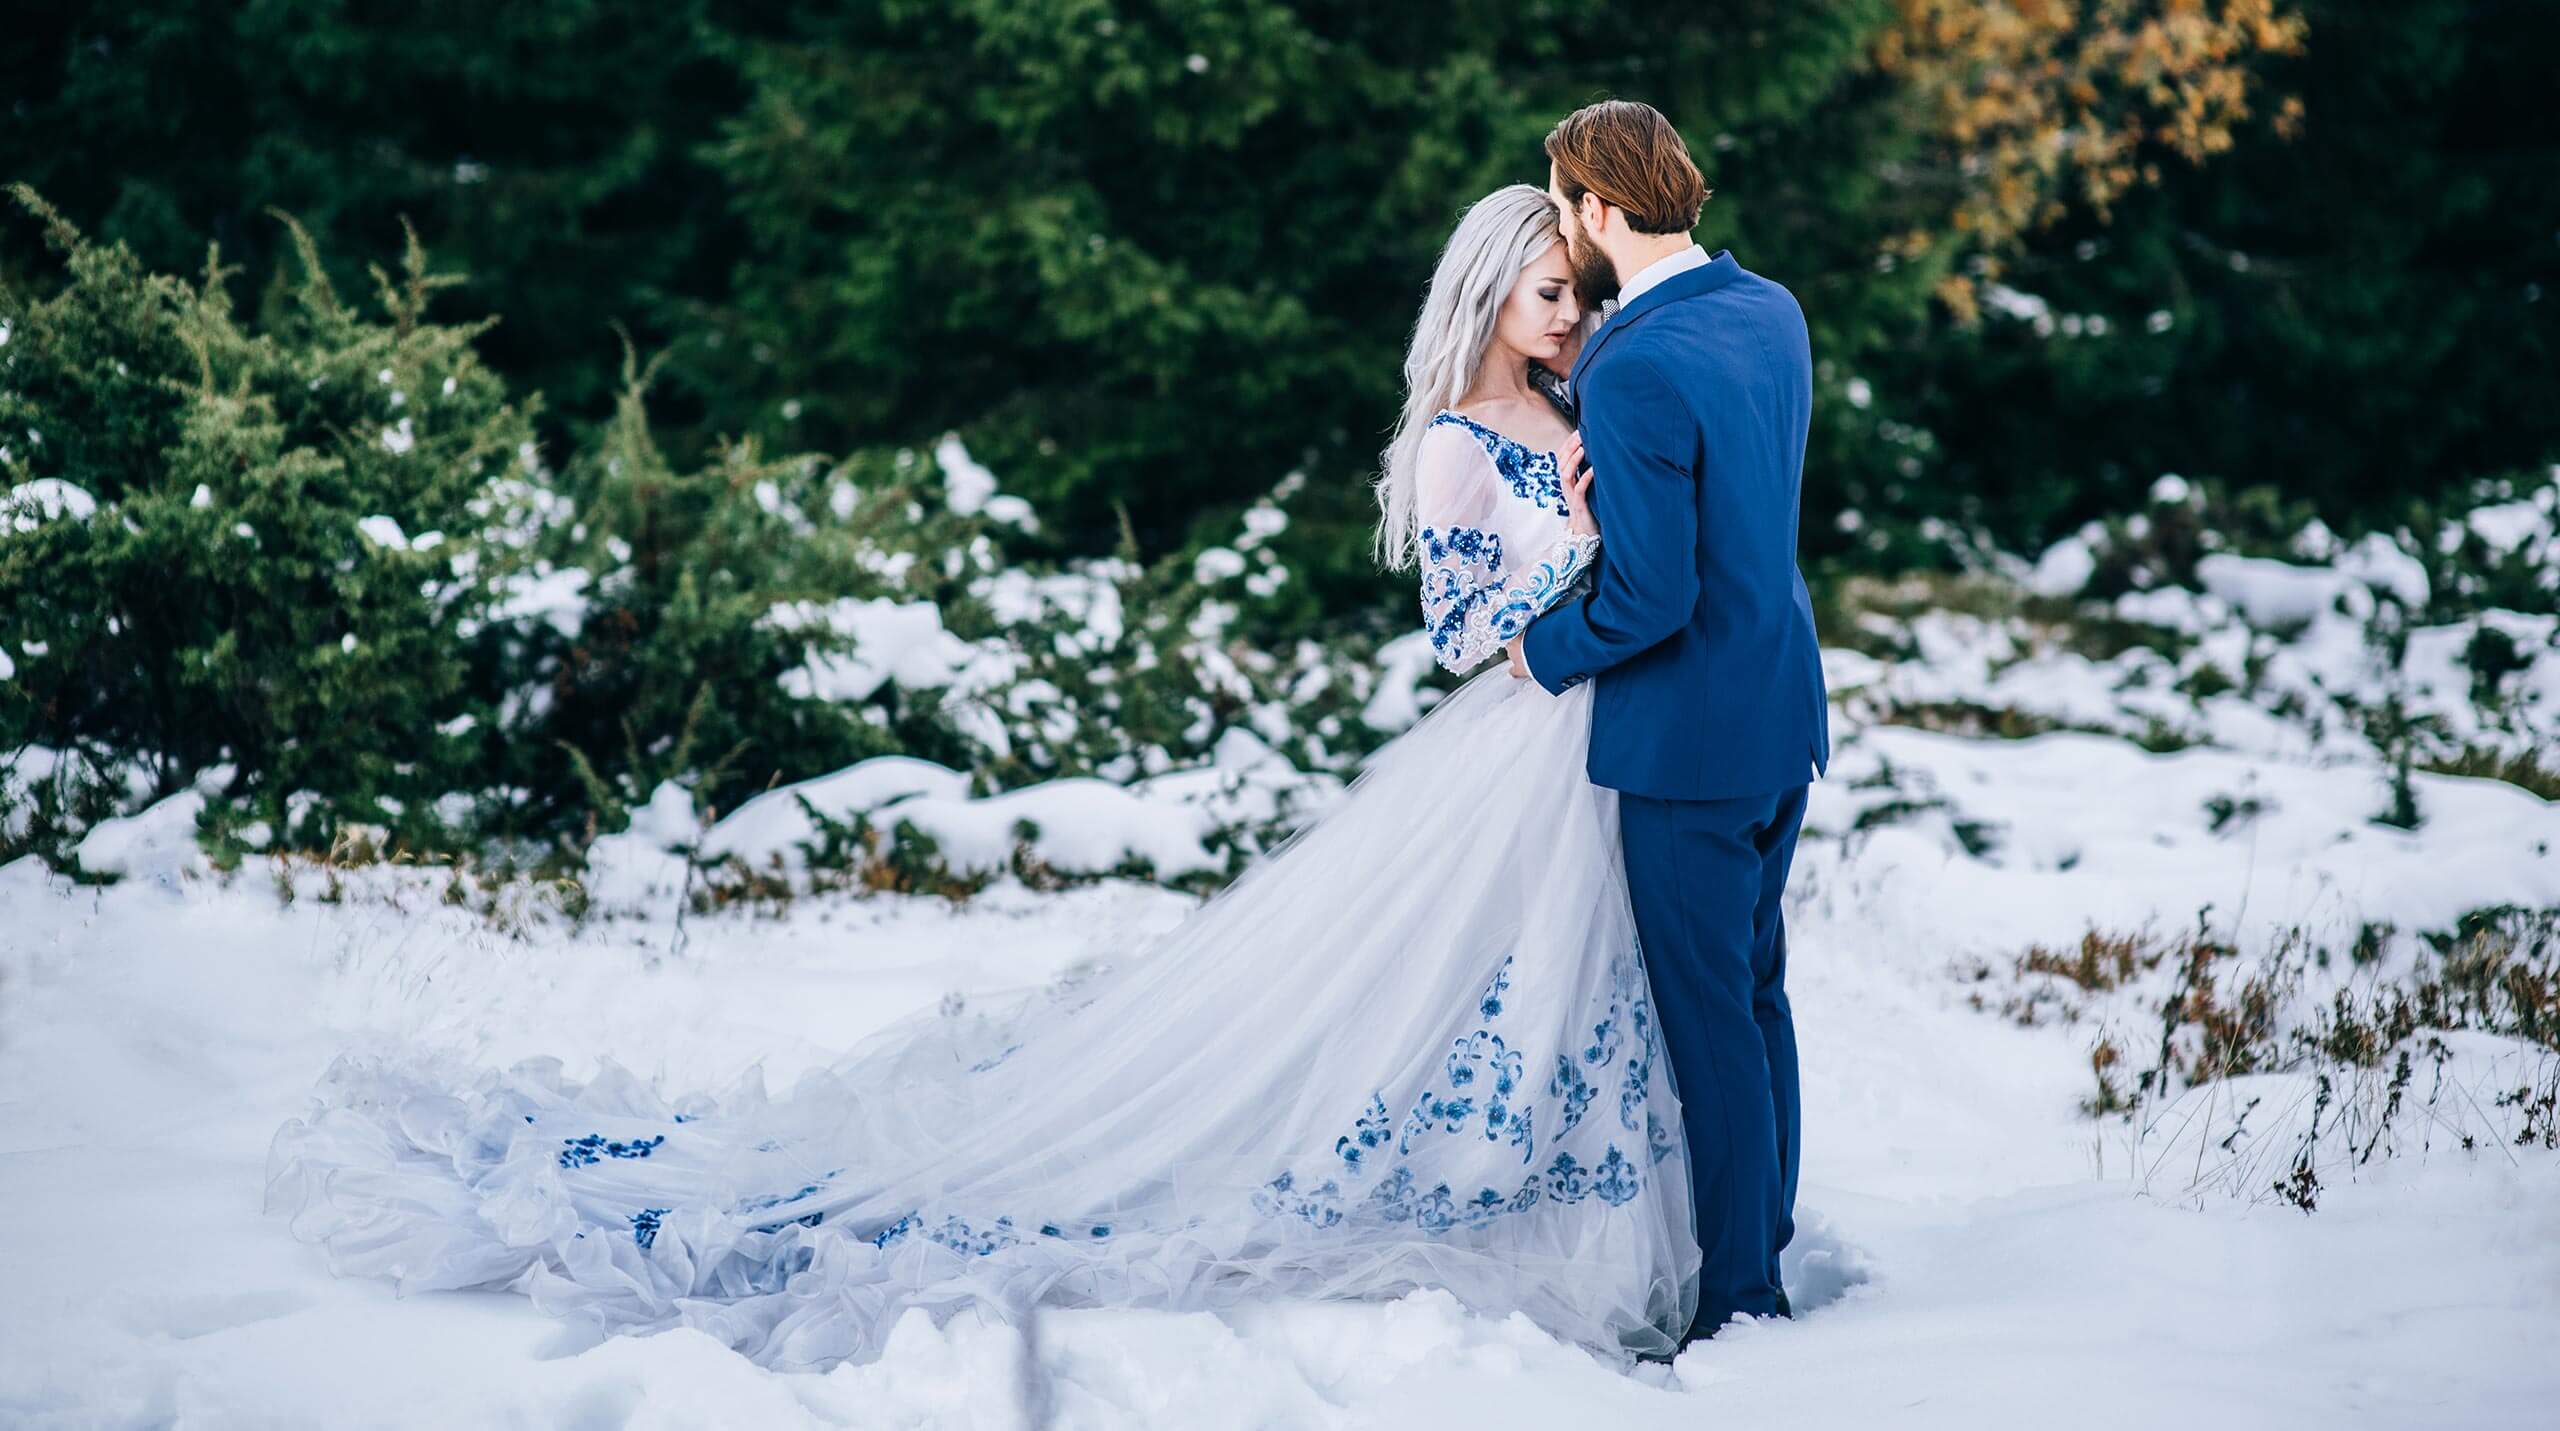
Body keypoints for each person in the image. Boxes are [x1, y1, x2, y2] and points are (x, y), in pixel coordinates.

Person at [265, 182, 1705, 1373]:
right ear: (1484, 299)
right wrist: (1574, 540)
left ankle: (1559, 1191)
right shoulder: (1461, 445)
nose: (1569, 311)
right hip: (1522, 737)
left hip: (1594, 739)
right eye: (1544, 291)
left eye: (1575, 289)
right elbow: (1460, 634)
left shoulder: (1580, 409)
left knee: (1569, 982)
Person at [1507, 99, 1832, 1347]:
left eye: (1562, 203)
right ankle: (1764, 1242)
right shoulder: (1770, 310)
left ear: (1596, 210)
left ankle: (1742, 1297)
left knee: (1709, 1022)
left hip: (1688, 741)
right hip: (1778, 709)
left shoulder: (1632, 365)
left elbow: (1650, 597)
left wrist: (1542, 653)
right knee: (1755, 999)